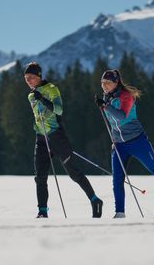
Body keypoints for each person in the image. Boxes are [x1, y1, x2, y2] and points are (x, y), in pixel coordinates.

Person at [95, 69, 154, 218]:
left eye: (107, 83)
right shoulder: (107, 97)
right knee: (117, 180)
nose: (104, 86)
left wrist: (105, 106)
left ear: (116, 82)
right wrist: (114, 138)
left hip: (137, 141)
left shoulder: (126, 96)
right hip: (119, 145)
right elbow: (113, 124)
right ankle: (119, 212)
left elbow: (121, 116)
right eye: (102, 83)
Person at [24, 62, 103, 218]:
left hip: (57, 137)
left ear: (39, 76)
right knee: (40, 177)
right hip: (41, 138)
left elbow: (59, 110)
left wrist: (43, 100)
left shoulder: (52, 89)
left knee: (73, 173)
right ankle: (42, 211)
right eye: (26, 78)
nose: (28, 81)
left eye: (31, 77)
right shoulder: (30, 95)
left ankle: (95, 200)